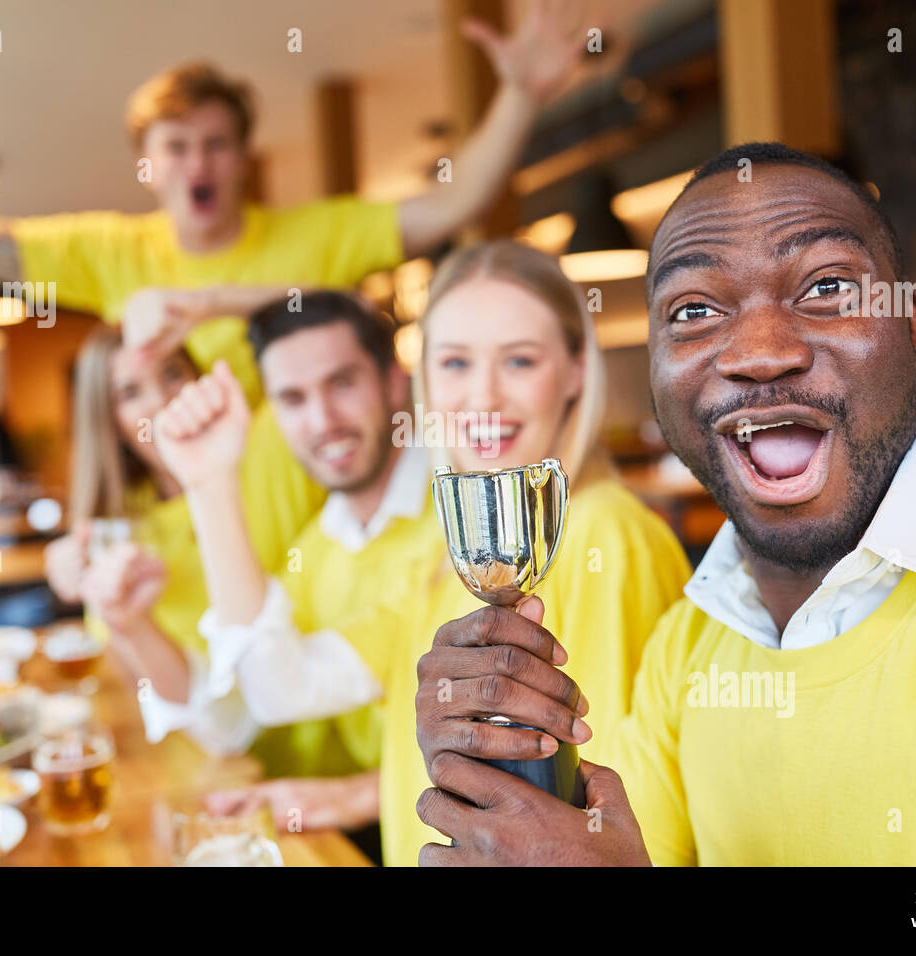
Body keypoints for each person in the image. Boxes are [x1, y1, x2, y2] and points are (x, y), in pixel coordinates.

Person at [411, 143, 916, 866]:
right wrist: (493, 759)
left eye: (827, 288)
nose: (760, 352)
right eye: (696, 308)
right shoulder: (688, 647)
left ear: (915, 330)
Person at [0, 0, 585, 588]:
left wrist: (519, 94)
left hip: (332, 551)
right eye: (176, 147)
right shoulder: (109, 249)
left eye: (216, 144)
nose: (197, 164)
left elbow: (452, 205)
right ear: (148, 161)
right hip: (196, 552)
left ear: (242, 157)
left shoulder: (316, 235)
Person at [156, 240, 693, 865]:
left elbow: (609, 811)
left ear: (576, 371)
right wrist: (209, 481)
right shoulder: (445, 557)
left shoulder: (606, 533)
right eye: (456, 364)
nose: (482, 397)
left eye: (519, 361)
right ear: (425, 380)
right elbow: (280, 689)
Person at [142, 291, 442, 809]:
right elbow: (237, 717)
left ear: (394, 380)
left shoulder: (459, 520)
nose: (323, 420)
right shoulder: (322, 544)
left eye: (342, 383)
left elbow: (281, 691)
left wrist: (211, 485)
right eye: (293, 399)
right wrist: (131, 622)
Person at [42, 328, 321, 759]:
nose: (161, 400)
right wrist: (124, 618)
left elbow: (324, 307)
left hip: (333, 740)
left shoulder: (266, 446)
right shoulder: (117, 531)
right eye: (130, 392)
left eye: (173, 373)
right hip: (224, 760)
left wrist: (201, 305)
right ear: (110, 421)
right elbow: (169, 701)